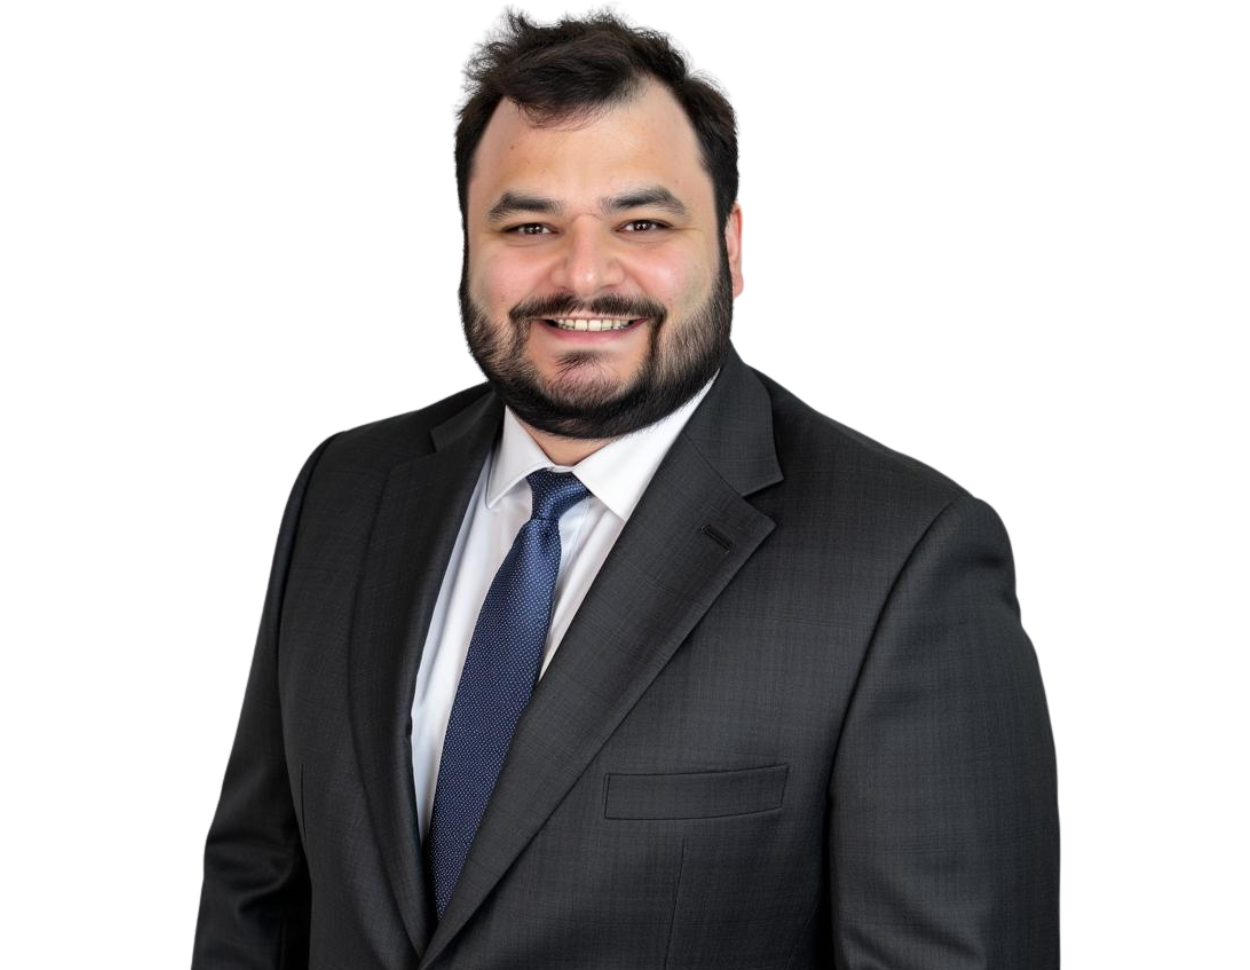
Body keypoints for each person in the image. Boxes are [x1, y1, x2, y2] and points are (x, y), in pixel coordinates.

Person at [192, 8, 1061, 968]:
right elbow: (255, 889)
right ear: (468, 248)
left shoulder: (908, 558)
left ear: (732, 247)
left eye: (641, 221)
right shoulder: (343, 492)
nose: (584, 276)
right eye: (529, 224)